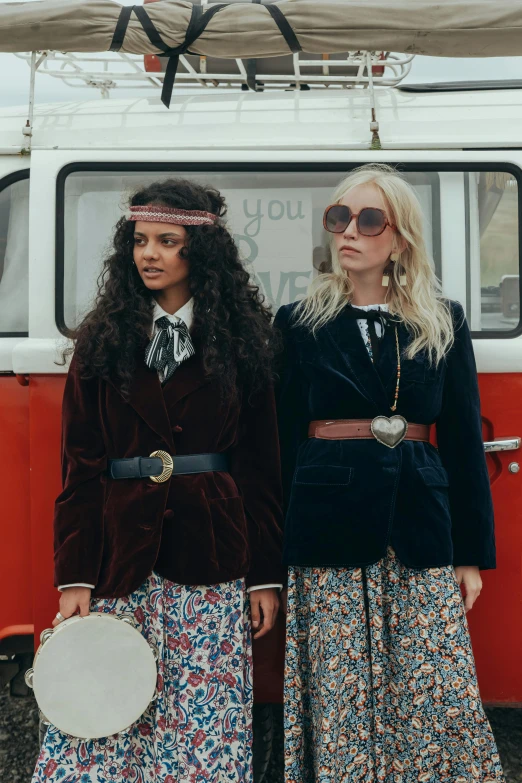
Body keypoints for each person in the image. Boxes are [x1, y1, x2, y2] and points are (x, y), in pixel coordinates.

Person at [32, 178, 285, 783]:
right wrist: (74, 576)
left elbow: (261, 469)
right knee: (105, 711)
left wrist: (265, 575)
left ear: (200, 252)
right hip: (120, 557)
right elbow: (80, 471)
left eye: (167, 241)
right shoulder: (102, 342)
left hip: (213, 554)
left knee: (201, 723)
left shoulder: (242, 342)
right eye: (140, 240)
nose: (149, 254)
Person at [275, 163, 504, 782]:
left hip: (421, 524)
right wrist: (267, 563)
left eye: (368, 218)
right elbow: (278, 443)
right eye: (338, 217)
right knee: (343, 696)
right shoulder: (297, 322)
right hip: (326, 528)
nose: (349, 231)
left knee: (436, 689)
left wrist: (470, 554)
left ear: (400, 236)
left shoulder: (443, 319)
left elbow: (460, 440)